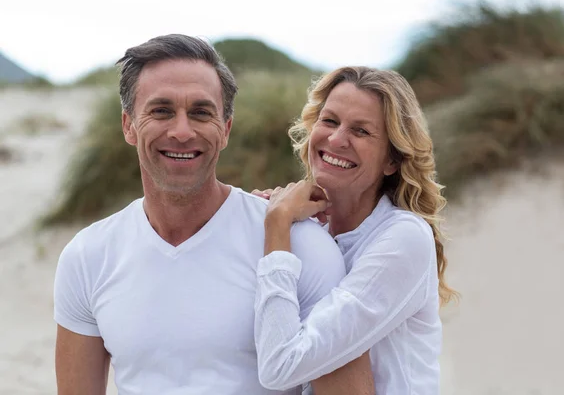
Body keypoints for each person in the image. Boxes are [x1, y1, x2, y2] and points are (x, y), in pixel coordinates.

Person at [53, 34, 375, 395]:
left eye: (201, 113)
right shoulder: (87, 257)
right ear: (129, 125)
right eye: (161, 110)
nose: (181, 131)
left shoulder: (301, 246)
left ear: (225, 129)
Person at [252, 66, 457, 394]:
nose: (336, 139)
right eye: (329, 121)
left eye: (361, 131)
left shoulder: (403, 238)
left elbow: (281, 365)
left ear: (391, 161)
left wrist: (276, 230)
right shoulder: (308, 229)